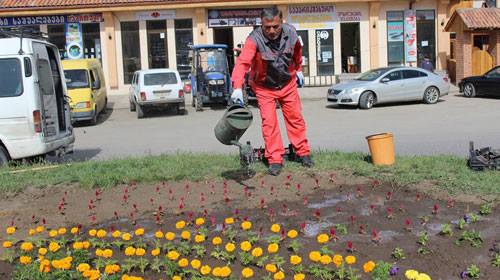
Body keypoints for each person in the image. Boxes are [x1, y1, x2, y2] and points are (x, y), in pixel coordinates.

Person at [230, 6, 313, 176]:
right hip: (264, 87)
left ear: (281, 22)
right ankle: (275, 159)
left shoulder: (291, 33)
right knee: (269, 123)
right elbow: (243, 62)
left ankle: (303, 153)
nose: (272, 31)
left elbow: (297, 51)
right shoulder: (254, 39)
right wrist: (237, 87)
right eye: (267, 27)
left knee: (295, 118)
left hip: (287, 83)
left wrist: (298, 69)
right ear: (262, 24)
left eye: (275, 26)